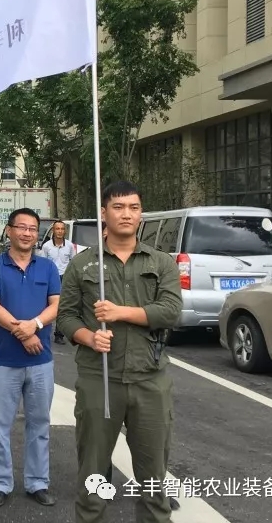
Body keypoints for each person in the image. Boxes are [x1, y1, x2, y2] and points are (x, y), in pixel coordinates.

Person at [57, 181, 182, 523]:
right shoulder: (83, 264)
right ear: (104, 213)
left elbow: (171, 311)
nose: (127, 214)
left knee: (154, 482)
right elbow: (66, 316)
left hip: (150, 380)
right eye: (118, 207)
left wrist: (119, 312)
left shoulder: (161, 262)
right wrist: (88, 337)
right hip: (99, 379)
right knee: (93, 480)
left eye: (134, 207)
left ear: (141, 214)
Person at [0, 208, 60, 509]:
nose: (27, 233)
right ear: (9, 230)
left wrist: (35, 325)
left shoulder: (48, 267)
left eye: (33, 229)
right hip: (4, 360)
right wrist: (24, 334)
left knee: (39, 425)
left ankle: (38, 482)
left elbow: (56, 305)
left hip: (41, 362)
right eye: (22, 227)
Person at [41, 220, 76, 345]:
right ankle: (42, 330)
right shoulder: (46, 246)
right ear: (53, 231)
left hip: (64, 277)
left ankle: (59, 334)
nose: (60, 231)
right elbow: (42, 264)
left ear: (65, 231)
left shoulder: (70, 246)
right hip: (50, 277)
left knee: (62, 306)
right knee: (47, 305)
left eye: (62, 229)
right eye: (57, 229)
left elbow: (73, 262)